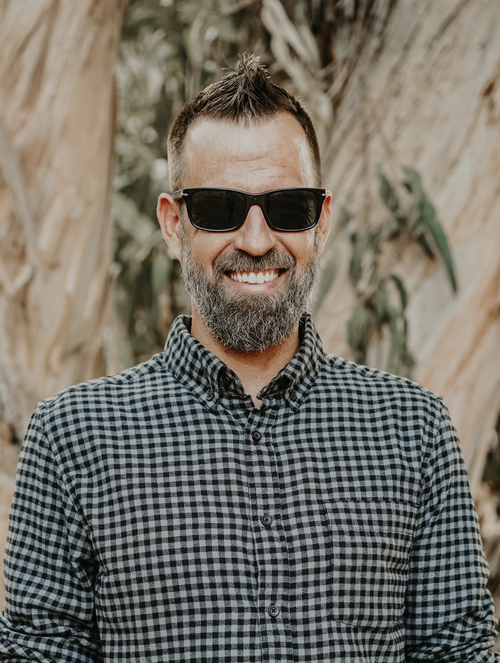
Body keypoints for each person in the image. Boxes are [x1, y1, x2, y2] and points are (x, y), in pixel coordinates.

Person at [0, 53, 497, 663]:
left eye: (286, 208)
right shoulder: (71, 438)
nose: (257, 241)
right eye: (219, 208)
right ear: (174, 224)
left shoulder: (414, 430)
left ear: (321, 221)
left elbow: (457, 650)